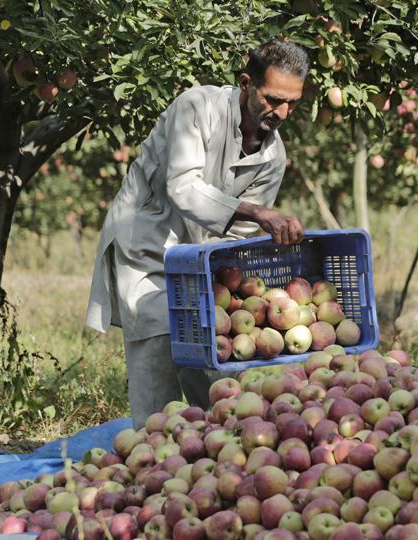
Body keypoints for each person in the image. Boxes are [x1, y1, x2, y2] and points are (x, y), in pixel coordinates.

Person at [85, 40, 309, 429]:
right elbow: (183, 187)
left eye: (293, 103)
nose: (283, 112)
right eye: (274, 99)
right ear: (245, 83)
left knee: (207, 353)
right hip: (148, 242)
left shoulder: (274, 156)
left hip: (200, 256)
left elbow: (238, 236)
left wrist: (237, 293)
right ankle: (152, 453)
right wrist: (258, 212)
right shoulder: (197, 107)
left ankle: (209, 450)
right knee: (158, 347)